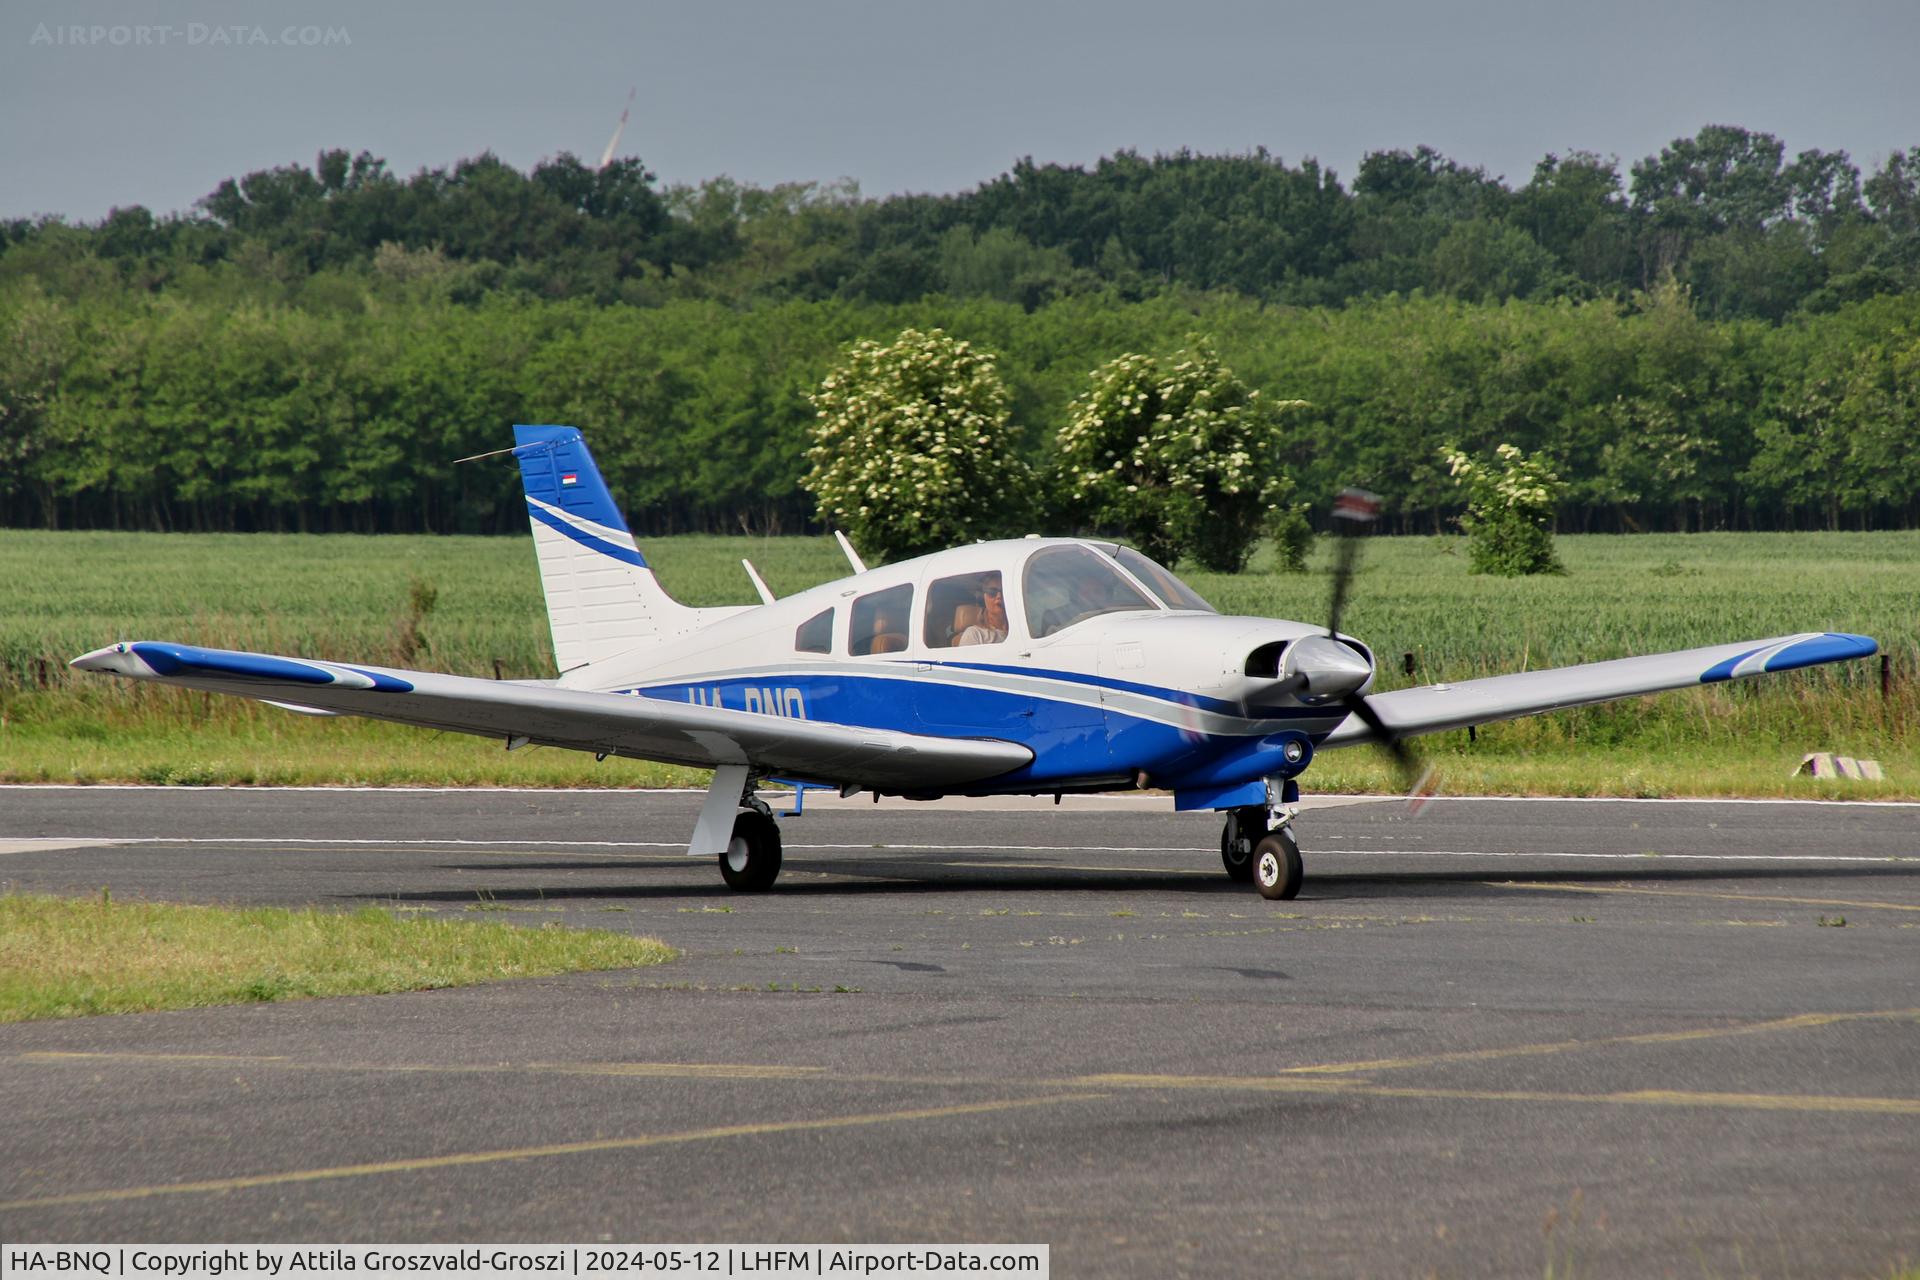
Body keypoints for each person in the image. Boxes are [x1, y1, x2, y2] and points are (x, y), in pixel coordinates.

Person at [954, 573, 1008, 645]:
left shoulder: (1021, 629)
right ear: (983, 598)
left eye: (1004, 591)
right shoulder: (974, 634)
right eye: (992, 592)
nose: (999, 596)